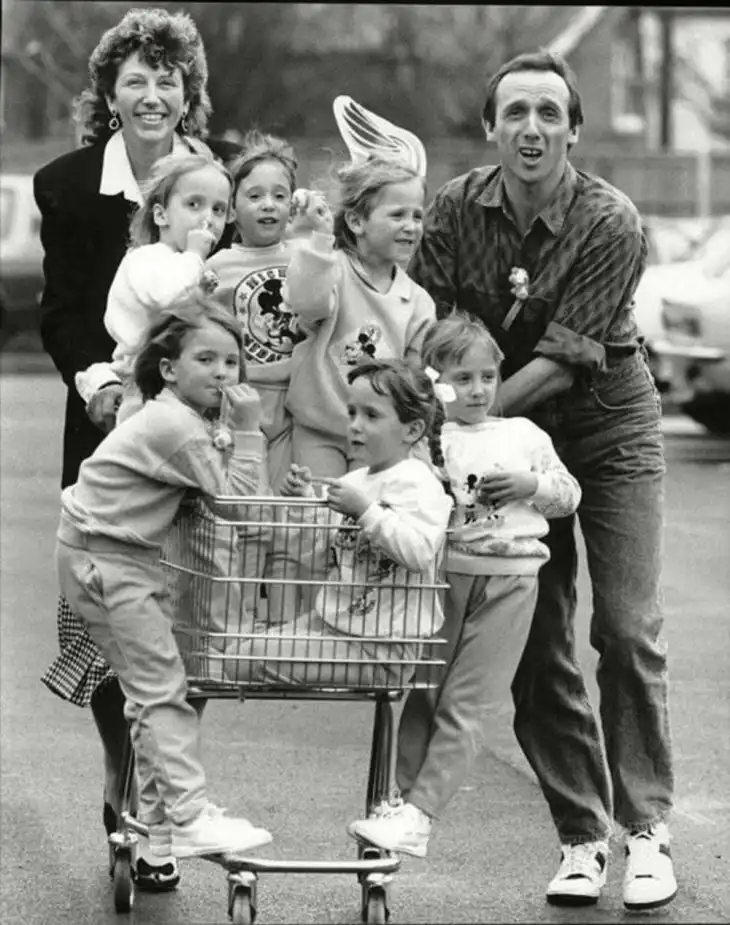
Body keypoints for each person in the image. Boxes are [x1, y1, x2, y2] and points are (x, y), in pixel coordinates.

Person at [404, 50, 676, 911]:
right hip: (490, 430)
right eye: (515, 111)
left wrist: (464, 428)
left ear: (573, 131)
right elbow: (429, 331)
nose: (532, 128)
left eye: (549, 113)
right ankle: (582, 835)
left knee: (625, 628)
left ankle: (646, 830)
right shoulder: (455, 208)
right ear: (490, 126)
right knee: (530, 631)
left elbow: (562, 360)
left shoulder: (611, 220)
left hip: (603, 422)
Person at [34, 7, 239, 890]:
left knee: (184, 620)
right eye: (136, 80)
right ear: (109, 94)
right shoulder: (67, 184)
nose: (153, 95)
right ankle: (123, 781)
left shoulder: (223, 180)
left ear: (189, 93)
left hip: (204, 421)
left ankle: (162, 805)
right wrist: (104, 388)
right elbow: (63, 313)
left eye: (168, 79)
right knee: (114, 620)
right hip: (109, 423)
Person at [347, 312, 581, 857]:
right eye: (462, 378)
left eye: (487, 377)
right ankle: (398, 802)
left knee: (467, 703)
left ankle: (421, 813)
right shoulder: (428, 445)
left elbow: (568, 494)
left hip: (511, 584)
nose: (478, 390)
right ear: (435, 384)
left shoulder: (523, 434)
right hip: (443, 580)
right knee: (425, 692)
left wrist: (530, 484)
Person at [55, 297, 274, 859]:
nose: (222, 373)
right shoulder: (177, 425)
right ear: (170, 369)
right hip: (107, 561)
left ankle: (160, 821)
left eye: (231, 362)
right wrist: (249, 431)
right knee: (161, 691)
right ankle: (189, 815)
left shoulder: (180, 416)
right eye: (206, 359)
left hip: (114, 556)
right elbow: (237, 505)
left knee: (151, 691)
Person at [236, 358, 453, 687]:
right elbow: (318, 557)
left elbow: (419, 553)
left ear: (412, 430)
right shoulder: (354, 481)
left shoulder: (419, 483)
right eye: (352, 412)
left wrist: (365, 511)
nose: (355, 425)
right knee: (234, 653)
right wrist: (304, 503)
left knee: (243, 660)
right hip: (333, 622)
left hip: (381, 647)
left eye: (371, 415)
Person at [284, 157, 436, 480]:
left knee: (365, 508)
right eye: (398, 215)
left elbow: (415, 382)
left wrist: (417, 445)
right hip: (318, 430)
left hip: (378, 440)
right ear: (356, 221)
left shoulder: (419, 303)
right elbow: (307, 303)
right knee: (318, 508)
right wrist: (320, 239)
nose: (411, 226)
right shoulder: (331, 268)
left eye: (417, 216)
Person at [206, 129, 331, 493]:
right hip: (240, 400)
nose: (268, 205)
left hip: (297, 401)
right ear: (232, 209)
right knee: (245, 495)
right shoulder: (217, 266)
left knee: (292, 496)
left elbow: (320, 307)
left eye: (279, 196)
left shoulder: (306, 256)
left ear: (292, 205)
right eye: (255, 196)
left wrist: (320, 237)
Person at [75, 150, 233, 423]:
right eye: (194, 204)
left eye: (218, 209)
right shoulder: (146, 259)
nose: (207, 218)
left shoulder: (190, 264)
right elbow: (166, 295)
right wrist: (195, 255)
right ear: (161, 215)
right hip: (143, 386)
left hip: (179, 383)